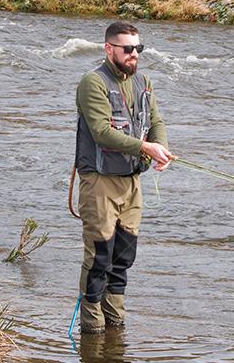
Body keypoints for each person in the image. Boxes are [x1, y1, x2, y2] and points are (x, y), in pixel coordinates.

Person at [74, 21, 174, 334]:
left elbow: (156, 121)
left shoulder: (143, 80)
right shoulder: (93, 82)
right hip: (99, 181)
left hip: (132, 181)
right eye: (127, 49)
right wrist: (146, 146)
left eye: (138, 49)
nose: (134, 55)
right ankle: (92, 326)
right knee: (99, 256)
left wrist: (162, 150)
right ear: (108, 49)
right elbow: (102, 134)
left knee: (123, 255)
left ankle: (115, 322)